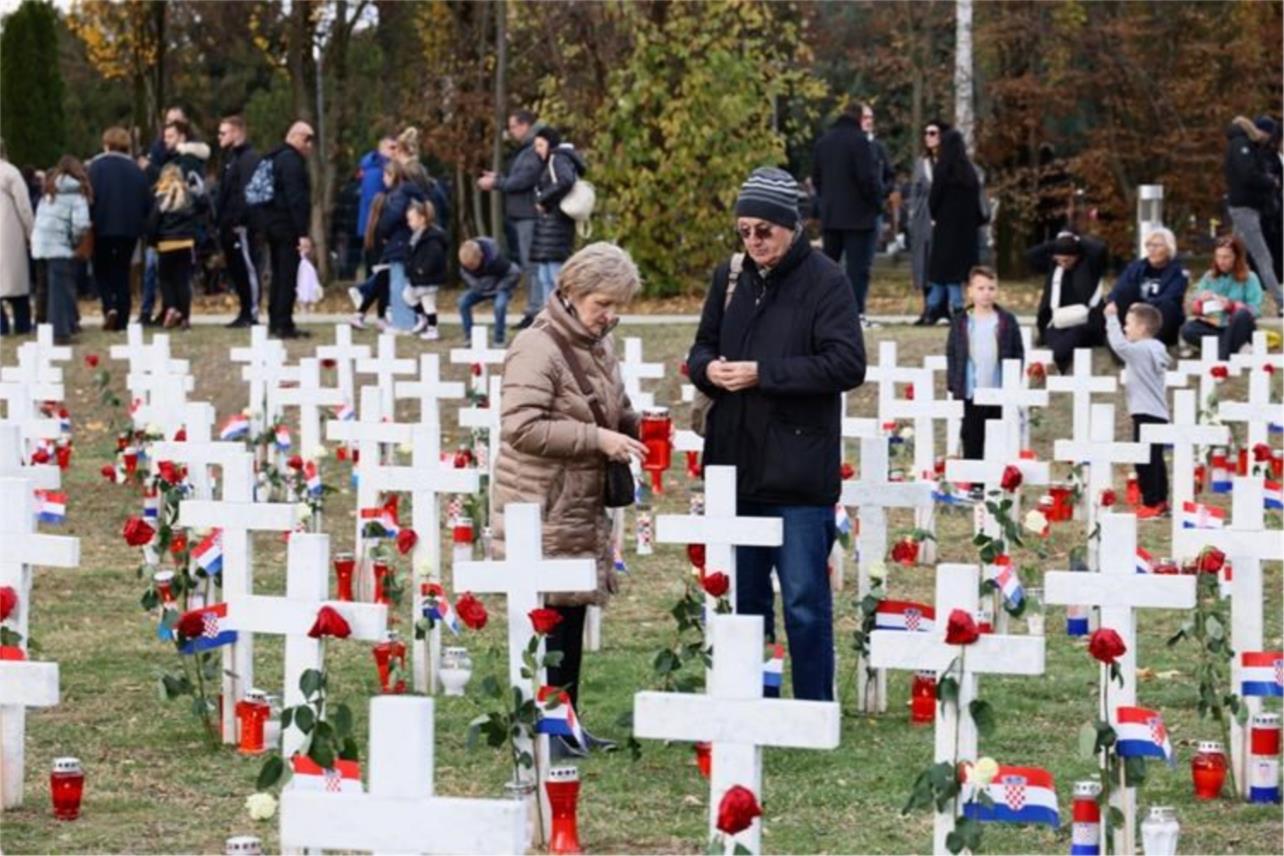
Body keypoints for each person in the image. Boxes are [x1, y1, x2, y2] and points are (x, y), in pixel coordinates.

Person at [688, 167, 866, 702]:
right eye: (744, 230)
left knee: (805, 601)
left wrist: (765, 373)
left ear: (791, 226)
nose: (754, 241)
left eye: (764, 229)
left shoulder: (826, 280)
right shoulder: (732, 278)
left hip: (797, 471)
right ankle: (748, 702)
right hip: (736, 463)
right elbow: (701, 347)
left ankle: (813, 706)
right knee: (744, 601)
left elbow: (845, 364)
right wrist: (708, 371)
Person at [495, 242, 648, 754]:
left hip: (580, 502)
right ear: (571, 291)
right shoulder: (537, 347)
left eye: (617, 305)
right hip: (543, 499)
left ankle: (568, 726)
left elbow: (613, 404)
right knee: (552, 616)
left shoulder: (596, 344)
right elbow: (521, 426)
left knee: (573, 610)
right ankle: (548, 730)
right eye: (602, 303)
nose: (611, 315)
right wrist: (596, 440)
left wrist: (632, 426)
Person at [812, 103, 882, 326]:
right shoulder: (859, 141)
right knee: (857, 270)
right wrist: (876, 203)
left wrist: (826, 204)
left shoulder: (824, 142)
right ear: (859, 118)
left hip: (831, 216)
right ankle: (855, 313)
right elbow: (867, 178)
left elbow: (817, 179)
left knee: (828, 268)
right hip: (859, 217)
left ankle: (823, 313)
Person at [945, 266, 1023, 462]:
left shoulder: (1006, 320)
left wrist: (1013, 380)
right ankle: (975, 485)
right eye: (981, 288)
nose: (986, 293)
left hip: (998, 390)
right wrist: (955, 383)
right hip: (971, 392)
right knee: (972, 438)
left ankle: (996, 485)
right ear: (969, 291)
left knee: (997, 439)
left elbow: (1017, 351)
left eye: (991, 288)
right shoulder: (961, 321)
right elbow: (953, 353)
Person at [1104, 301, 1170, 518]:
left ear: (1141, 328)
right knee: (1155, 459)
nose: (1124, 328)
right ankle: (1160, 499)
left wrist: (1111, 318)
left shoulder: (1140, 350)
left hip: (1145, 411)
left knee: (1145, 459)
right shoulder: (1156, 348)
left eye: (1128, 324)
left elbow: (1119, 347)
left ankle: (1151, 502)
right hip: (1158, 412)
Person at [478, 109, 542, 328]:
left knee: (532, 264)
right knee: (529, 263)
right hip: (522, 214)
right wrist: (500, 178)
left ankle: (536, 311)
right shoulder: (526, 150)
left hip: (529, 215)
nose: (511, 131)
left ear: (524, 125)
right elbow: (518, 178)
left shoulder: (533, 148)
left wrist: (497, 184)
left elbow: (524, 180)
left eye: (513, 126)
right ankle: (534, 309)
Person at [87, 127, 151, 332]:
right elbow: (146, 200)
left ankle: (109, 306)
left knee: (101, 269)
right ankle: (123, 316)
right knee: (122, 271)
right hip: (129, 229)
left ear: (106, 145)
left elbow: (89, 197)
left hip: (102, 226)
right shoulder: (136, 170)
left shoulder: (95, 168)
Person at [255, 120, 314, 339]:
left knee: (279, 274)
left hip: (271, 224)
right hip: (286, 226)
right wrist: (302, 233)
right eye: (308, 140)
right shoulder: (292, 162)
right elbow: (296, 199)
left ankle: (276, 320)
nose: (310, 146)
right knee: (287, 276)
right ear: (296, 137)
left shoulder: (273, 157)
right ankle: (283, 323)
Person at [1224, 115, 1282, 313]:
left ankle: (1227, 295)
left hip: (1245, 206)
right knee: (1263, 256)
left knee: (1233, 252)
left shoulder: (1243, 145)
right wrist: (1269, 182)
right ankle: (1280, 300)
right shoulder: (1243, 146)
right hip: (1245, 207)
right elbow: (1248, 175)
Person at [30, 156, 91, 344]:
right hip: (59, 246)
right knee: (61, 290)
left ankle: (44, 328)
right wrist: (73, 241)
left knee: (44, 289)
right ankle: (60, 332)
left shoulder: (50, 191)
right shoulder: (76, 195)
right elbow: (81, 225)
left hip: (40, 244)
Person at [1027, 231, 1109, 372]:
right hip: (1059, 319)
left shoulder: (1089, 264)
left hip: (1085, 322)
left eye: (1067, 260)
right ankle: (1056, 363)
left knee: (1072, 339)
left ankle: (1054, 364)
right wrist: (1058, 243)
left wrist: (1076, 240)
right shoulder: (1055, 267)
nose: (1063, 264)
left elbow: (1100, 249)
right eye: (1060, 260)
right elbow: (1031, 255)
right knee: (1052, 336)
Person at [925, 129, 984, 320]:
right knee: (957, 271)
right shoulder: (969, 172)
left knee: (942, 271)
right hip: (966, 229)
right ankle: (949, 306)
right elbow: (976, 202)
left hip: (945, 227)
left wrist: (936, 216)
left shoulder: (942, 170)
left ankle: (939, 306)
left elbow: (933, 200)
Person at [1180, 235, 1263, 360]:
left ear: (1237, 257)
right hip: (1215, 326)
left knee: (1241, 315)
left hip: (1238, 326)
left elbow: (1255, 310)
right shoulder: (1209, 276)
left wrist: (1231, 306)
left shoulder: (1250, 277)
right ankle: (1234, 347)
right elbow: (1195, 306)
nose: (1221, 261)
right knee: (1188, 329)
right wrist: (1201, 302)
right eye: (1218, 256)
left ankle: (1221, 357)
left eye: (1226, 257)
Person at [531, 127, 585, 312]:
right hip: (550, 227)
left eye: (540, 144)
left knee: (554, 277)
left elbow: (565, 181)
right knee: (545, 275)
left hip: (556, 226)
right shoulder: (556, 160)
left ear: (550, 143)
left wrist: (543, 199)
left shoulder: (557, 158)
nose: (537, 149)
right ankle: (550, 315)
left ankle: (560, 315)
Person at [1105, 227, 1187, 347]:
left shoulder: (1178, 271)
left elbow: (1171, 296)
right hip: (1134, 318)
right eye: (1149, 245)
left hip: (1159, 319)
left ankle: (1148, 345)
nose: (1151, 249)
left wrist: (1144, 306)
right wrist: (1112, 302)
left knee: (1168, 305)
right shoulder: (1137, 267)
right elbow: (1119, 290)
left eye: (1157, 246)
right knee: (1123, 295)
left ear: (1169, 248)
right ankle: (1121, 339)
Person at [215, 115, 261, 328]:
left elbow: (246, 193)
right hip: (229, 225)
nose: (219, 137)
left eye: (223, 133)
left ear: (236, 132)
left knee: (247, 267)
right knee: (237, 269)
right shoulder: (231, 159)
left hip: (242, 225)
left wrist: (240, 219)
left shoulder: (249, 159)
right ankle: (244, 310)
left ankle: (251, 311)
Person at [146, 164, 205, 329]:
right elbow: (202, 210)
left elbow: (153, 222)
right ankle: (185, 317)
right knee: (182, 281)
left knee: (166, 279)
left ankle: (171, 307)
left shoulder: (161, 197)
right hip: (186, 243)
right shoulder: (188, 197)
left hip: (166, 244)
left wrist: (152, 242)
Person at [373, 158, 426, 332]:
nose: (383, 180)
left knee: (398, 284)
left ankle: (402, 323)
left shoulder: (399, 195)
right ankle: (411, 319)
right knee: (404, 283)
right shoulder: (410, 193)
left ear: (391, 175)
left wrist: (382, 231)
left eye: (385, 176)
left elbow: (392, 217)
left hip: (399, 243)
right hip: (404, 242)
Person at [909, 120, 947, 325]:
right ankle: (928, 308)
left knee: (942, 260)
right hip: (923, 217)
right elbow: (914, 192)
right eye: (926, 133)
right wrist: (912, 216)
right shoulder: (921, 162)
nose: (928, 136)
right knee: (923, 261)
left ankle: (943, 308)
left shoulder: (950, 161)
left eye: (933, 132)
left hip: (945, 215)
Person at [457, 236, 521, 346]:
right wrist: (476, 285)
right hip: (480, 288)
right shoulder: (465, 264)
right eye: (467, 266)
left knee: (500, 306)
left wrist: (501, 287)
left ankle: (499, 339)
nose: (470, 268)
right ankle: (470, 336)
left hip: (499, 288)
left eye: (472, 265)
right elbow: (464, 274)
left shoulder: (497, 262)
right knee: (462, 302)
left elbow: (515, 272)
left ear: (480, 256)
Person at [0, 146, 35, 336]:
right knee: (17, 286)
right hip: (8, 234)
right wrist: (31, 233)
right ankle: (22, 326)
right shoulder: (10, 172)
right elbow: (24, 207)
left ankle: (2, 328)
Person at [402, 200, 448, 341]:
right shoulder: (416, 237)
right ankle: (423, 319)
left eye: (411, 219)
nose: (408, 223)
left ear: (422, 219)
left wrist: (423, 269)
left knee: (428, 303)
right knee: (408, 296)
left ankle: (433, 329)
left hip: (428, 278)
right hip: (417, 277)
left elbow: (435, 257)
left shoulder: (432, 238)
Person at [356, 135, 395, 272]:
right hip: (374, 227)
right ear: (382, 148)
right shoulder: (377, 171)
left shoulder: (373, 168)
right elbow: (375, 202)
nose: (395, 151)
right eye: (392, 148)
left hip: (371, 226)